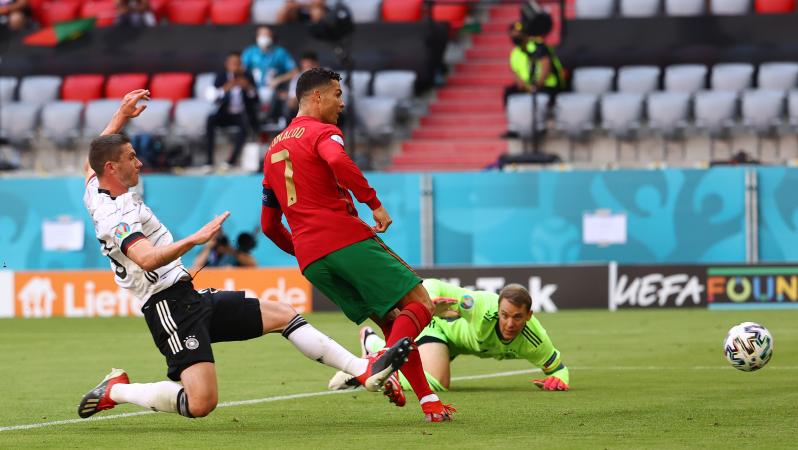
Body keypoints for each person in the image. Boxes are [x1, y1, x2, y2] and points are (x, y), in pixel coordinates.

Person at [77, 89, 412, 420]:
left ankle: (364, 371)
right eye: (131, 157)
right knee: (201, 403)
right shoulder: (115, 217)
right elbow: (147, 258)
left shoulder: (96, 185)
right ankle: (116, 390)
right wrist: (196, 239)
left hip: (186, 295)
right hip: (168, 307)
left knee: (283, 315)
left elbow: (93, 158)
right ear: (112, 167)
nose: (139, 162)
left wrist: (121, 114)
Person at [260, 67, 455, 422]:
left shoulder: (272, 150)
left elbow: (269, 225)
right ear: (316, 97)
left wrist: (307, 248)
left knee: (393, 321)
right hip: (343, 236)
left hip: (311, 260)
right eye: (337, 94)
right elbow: (337, 160)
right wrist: (374, 203)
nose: (342, 102)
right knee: (421, 303)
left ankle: (429, 402)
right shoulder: (323, 132)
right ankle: (378, 362)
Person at [329, 279, 570, 393]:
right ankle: (369, 360)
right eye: (504, 315)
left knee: (430, 374)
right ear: (498, 309)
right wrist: (430, 302)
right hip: (440, 330)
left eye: (517, 317)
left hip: (455, 347)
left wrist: (559, 380)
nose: (509, 323)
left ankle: (372, 345)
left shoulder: (535, 338)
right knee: (437, 383)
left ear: (529, 315)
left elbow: (558, 368)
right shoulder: (479, 304)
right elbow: (434, 284)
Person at [502, 21, 564, 138]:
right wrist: (526, 87)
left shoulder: (539, 47)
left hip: (548, 85)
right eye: (513, 35)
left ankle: (539, 127)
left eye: (518, 35)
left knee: (539, 97)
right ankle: (514, 127)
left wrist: (536, 86)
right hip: (529, 86)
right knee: (509, 93)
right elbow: (516, 74)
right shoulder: (515, 53)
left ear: (525, 35)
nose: (516, 38)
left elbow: (546, 68)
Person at [206, 51, 260, 168]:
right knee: (210, 121)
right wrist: (226, 87)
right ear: (227, 64)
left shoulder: (247, 76)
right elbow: (212, 96)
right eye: (232, 63)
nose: (235, 66)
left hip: (241, 114)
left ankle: (231, 161)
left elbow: (256, 98)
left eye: (237, 63)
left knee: (245, 127)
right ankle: (209, 160)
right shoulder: (221, 76)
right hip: (224, 113)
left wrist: (248, 88)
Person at [241, 26, 298, 124]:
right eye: (261, 34)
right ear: (256, 37)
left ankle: (279, 123)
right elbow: (241, 69)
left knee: (286, 98)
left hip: (275, 91)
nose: (264, 37)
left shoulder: (280, 52)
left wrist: (278, 79)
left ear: (272, 37)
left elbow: (295, 71)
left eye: (267, 34)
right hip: (254, 91)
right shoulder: (250, 52)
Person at [285, 50, 321, 122]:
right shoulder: (297, 78)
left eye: (311, 64)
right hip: (303, 110)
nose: (308, 67)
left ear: (316, 64)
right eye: (305, 65)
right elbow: (292, 103)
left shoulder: (326, 75)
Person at [192, 232, 257, 269]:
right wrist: (208, 247)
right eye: (218, 243)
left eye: (223, 243)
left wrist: (231, 250)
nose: (221, 246)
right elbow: (196, 266)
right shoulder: (208, 253)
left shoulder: (233, 254)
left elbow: (253, 264)